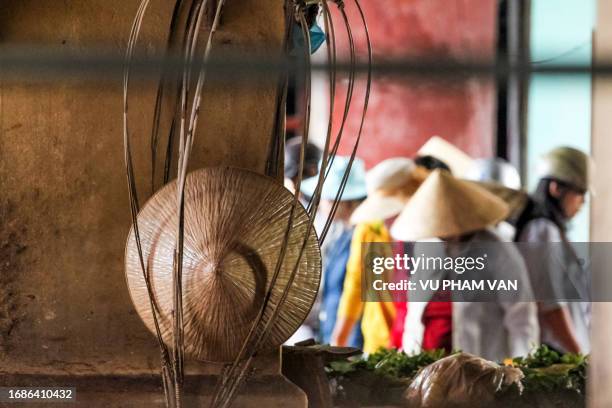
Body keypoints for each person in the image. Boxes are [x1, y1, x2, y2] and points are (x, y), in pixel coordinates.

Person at [391, 170, 539, 361]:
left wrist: (524, 365)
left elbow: (521, 318)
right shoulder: (428, 245)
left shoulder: (498, 251)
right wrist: (408, 353)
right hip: (429, 360)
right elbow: (416, 307)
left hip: (483, 364)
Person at [331, 158, 427, 353]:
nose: (387, 218)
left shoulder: (428, 233)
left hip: (421, 341)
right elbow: (355, 282)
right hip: (379, 338)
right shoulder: (368, 229)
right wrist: (339, 338)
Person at [514, 146, 592, 354]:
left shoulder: (551, 231)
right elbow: (550, 305)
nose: (583, 202)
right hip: (555, 354)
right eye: (580, 193)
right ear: (556, 188)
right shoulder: (542, 231)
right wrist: (578, 356)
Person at [296, 156, 368, 346]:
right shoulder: (339, 233)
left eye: (328, 199)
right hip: (331, 330)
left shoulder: (366, 236)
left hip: (353, 339)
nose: (322, 204)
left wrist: (342, 338)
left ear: (348, 202)